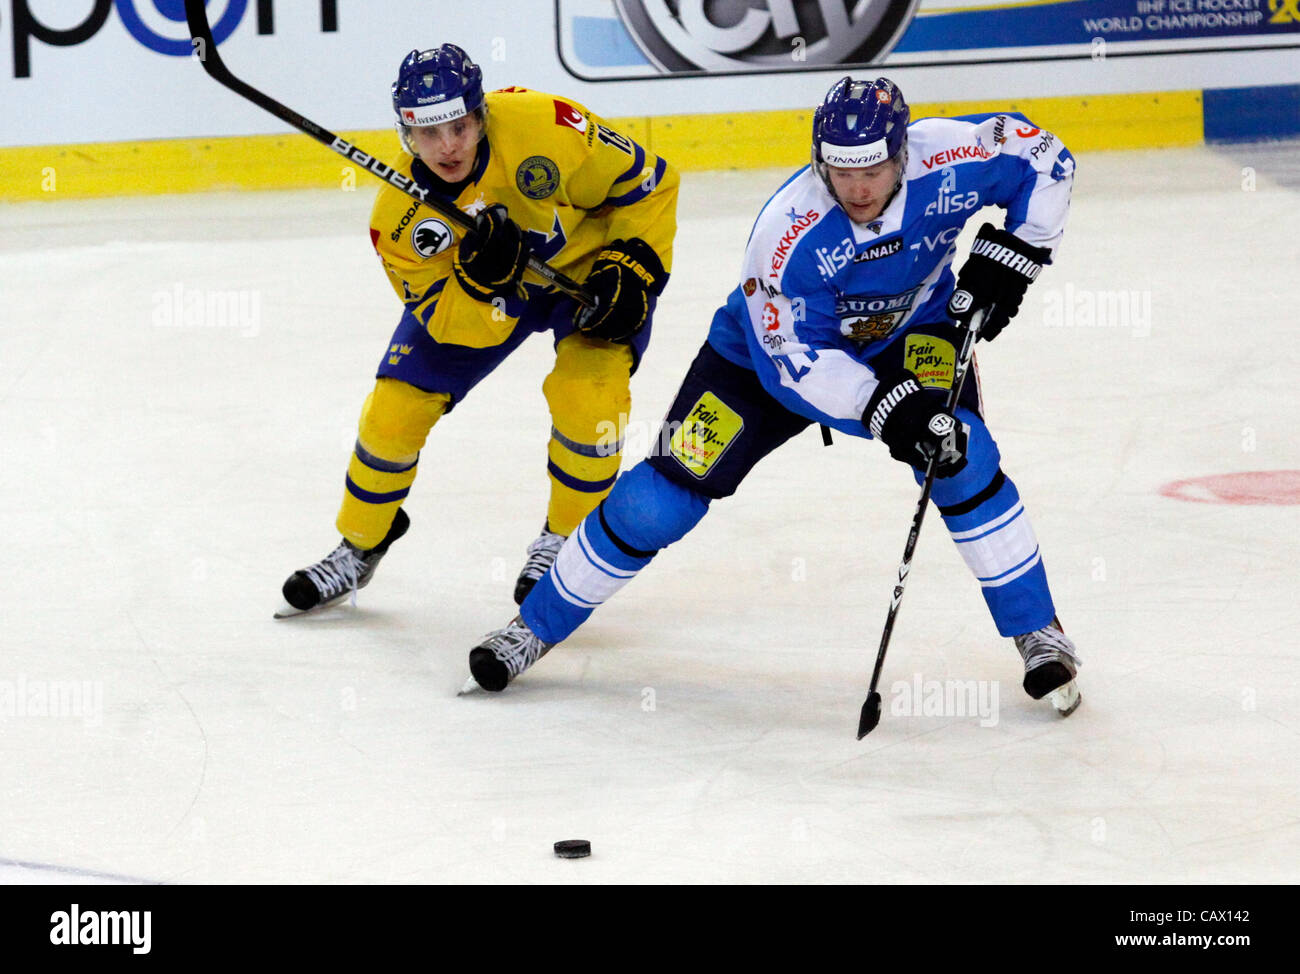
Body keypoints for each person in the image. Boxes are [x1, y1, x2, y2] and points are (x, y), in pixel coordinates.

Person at [464, 77, 1083, 715]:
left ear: (903, 151)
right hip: (760, 362)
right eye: (841, 172)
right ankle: (531, 629)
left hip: (911, 332)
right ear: (820, 162)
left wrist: (1017, 253)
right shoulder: (789, 232)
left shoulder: (953, 154)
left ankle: (1039, 629)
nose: (859, 189)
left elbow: (1047, 159)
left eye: (873, 167)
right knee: (662, 498)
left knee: (961, 456)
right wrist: (885, 404)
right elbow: (797, 363)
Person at [276, 45, 678, 617]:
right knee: (393, 410)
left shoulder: (547, 125)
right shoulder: (398, 222)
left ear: (481, 114)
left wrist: (635, 266)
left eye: (459, 126)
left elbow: (651, 184)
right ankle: (360, 543)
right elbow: (459, 329)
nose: (447, 147)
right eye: (427, 132)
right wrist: (479, 280)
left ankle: (566, 544)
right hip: (486, 299)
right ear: (405, 134)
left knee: (590, 401)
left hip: (588, 270)